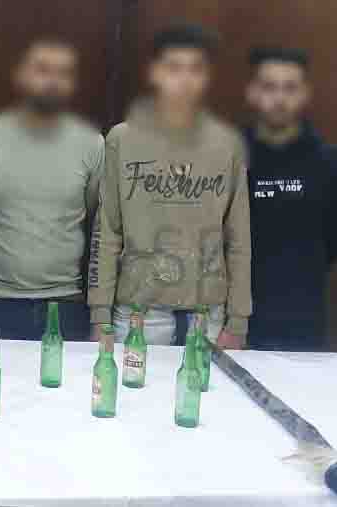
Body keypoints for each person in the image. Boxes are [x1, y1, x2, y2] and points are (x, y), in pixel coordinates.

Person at [89, 23, 252, 348]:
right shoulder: (122, 139)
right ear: (155, 73)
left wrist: (238, 320)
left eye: (195, 69)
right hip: (137, 315)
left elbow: (238, 238)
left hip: (208, 316)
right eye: (174, 68)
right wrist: (99, 316)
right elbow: (107, 231)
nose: (184, 80)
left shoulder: (227, 144)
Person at [0, 38, 104, 341]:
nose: (53, 81)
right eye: (43, 70)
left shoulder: (93, 143)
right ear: (21, 75)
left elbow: (96, 220)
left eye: (63, 73)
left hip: (64, 304)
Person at [244, 47, 337, 351]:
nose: (280, 98)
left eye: (290, 88)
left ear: (305, 93)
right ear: (252, 92)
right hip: (235, 324)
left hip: (303, 323)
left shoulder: (332, 164)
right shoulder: (229, 158)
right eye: (269, 87)